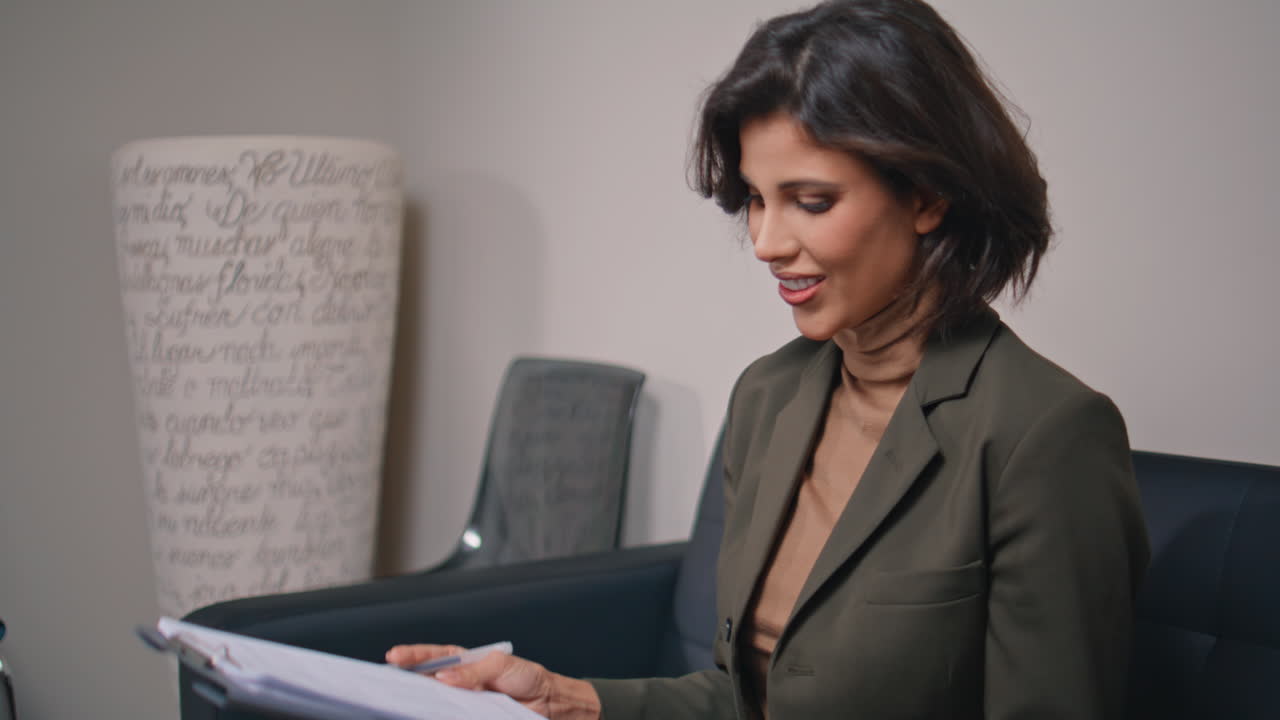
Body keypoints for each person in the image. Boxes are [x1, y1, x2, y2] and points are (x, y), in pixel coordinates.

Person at [387, 0, 1151, 717]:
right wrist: (567, 698)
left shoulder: (1045, 434)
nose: (766, 242)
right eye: (756, 198)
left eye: (811, 201)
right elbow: (745, 701)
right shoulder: (769, 395)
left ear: (927, 197)